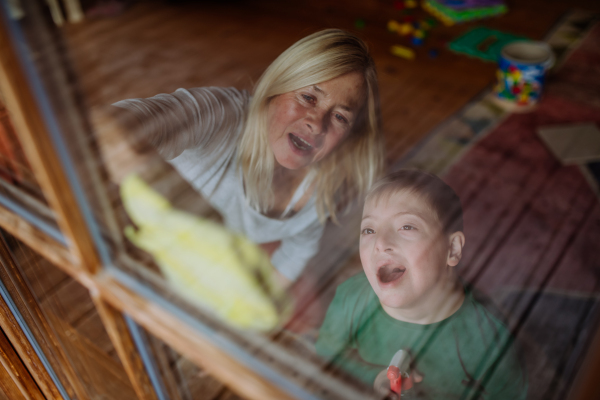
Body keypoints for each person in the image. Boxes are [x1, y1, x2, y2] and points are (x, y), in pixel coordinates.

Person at [97, 29, 384, 286]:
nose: (316, 123)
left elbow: (298, 250)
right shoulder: (222, 115)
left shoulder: (326, 183)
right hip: (138, 261)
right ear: (276, 88)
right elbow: (108, 125)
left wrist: (262, 302)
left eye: (339, 117)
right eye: (308, 98)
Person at [315, 170, 528, 399]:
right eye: (369, 229)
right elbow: (326, 354)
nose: (381, 242)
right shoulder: (350, 297)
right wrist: (373, 377)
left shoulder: (488, 339)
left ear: (452, 249)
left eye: (407, 227)